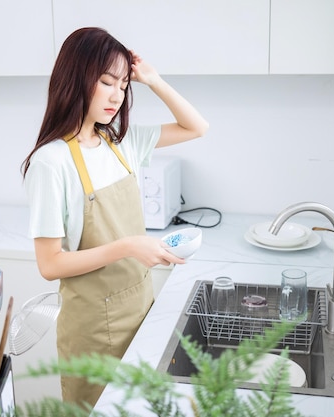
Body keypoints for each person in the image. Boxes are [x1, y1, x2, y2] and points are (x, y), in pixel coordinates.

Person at [21, 27, 208, 408]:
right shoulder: (50, 162)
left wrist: (152, 79)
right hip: (91, 330)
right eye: (106, 81)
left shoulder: (121, 143)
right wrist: (128, 247)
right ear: (75, 78)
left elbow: (197, 126)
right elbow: (49, 263)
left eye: (123, 85)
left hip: (141, 311)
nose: (116, 94)